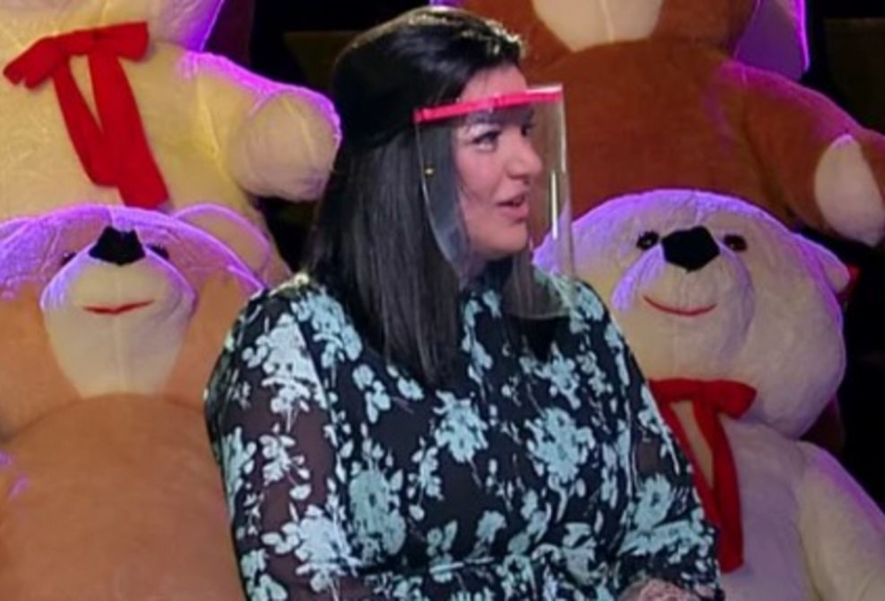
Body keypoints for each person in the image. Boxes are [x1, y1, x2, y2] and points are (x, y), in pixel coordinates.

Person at [205, 6, 723, 600]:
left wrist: (660, 590)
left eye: (525, 130)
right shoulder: (292, 339)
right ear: (406, 163)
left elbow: (673, 530)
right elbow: (302, 588)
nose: (528, 163)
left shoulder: (576, 318)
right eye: (488, 138)